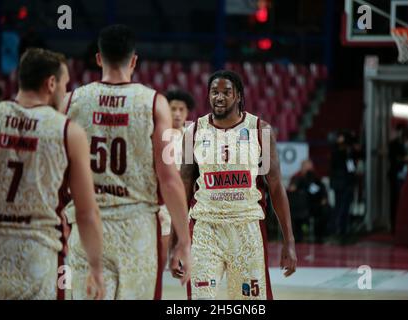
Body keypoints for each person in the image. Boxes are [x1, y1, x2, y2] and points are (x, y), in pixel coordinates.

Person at [61, 24, 191, 300]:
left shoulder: (71, 101)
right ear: (134, 60)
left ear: (98, 58)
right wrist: (184, 241)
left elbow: (57, 173)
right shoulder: (155, 103)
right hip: (137, 231)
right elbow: (169, 179)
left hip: (86, 225)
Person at [0, 48, 104, 300]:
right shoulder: (67, 131)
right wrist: (95, 268)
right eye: (64, 84)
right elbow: (86, 212)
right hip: (38, 253)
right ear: (51, 83)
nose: (65, 91)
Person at [178, 70, 297, 300]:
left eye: (226, 92)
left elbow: (275, 187)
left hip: (246, 229)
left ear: (239, 96)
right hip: (205, 229)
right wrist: (177, 239)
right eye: (214, 92)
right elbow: (183, 186)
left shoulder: (259, 129)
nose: (219, 97)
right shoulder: (193, 131)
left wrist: (289, 241)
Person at [158, 89, 195, 272]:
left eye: (182, 109)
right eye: (173, 109)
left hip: (184, 199)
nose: (177, 114)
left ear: (187, 112)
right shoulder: (157, 134)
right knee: (162, 249)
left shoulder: (192, 136)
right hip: (162, 199)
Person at [287, 159, 329, 243]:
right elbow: (291, 190)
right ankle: (298, 235)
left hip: (313, 205)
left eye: (309, 168)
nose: (308, 170)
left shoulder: (316, 178)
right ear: (302, 168)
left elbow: (323, 193)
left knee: (325, 210)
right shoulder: (296, 177)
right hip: (299, 206)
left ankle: (320, 236)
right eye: (305, 167)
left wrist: (323, 199)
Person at [329, 130, 356, 239]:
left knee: (344, 206)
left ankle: (342, 228)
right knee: (340, 206)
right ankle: (338, 229)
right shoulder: (337, 151)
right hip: (341, 183)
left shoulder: (348, 152)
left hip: (345, 183)